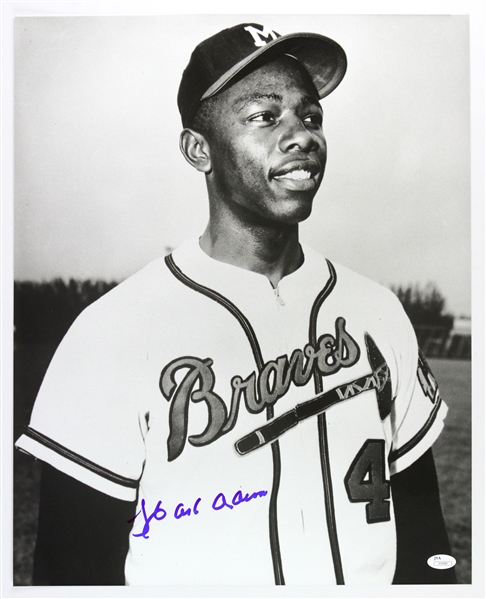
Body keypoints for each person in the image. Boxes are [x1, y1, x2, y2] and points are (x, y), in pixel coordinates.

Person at [16, 22, 456, 586]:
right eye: (264, 117)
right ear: (199, 150)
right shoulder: (111, 330)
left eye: (311, 116)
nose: (301, 135)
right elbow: (70, 573)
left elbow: (426, 540)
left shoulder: (377, 311)